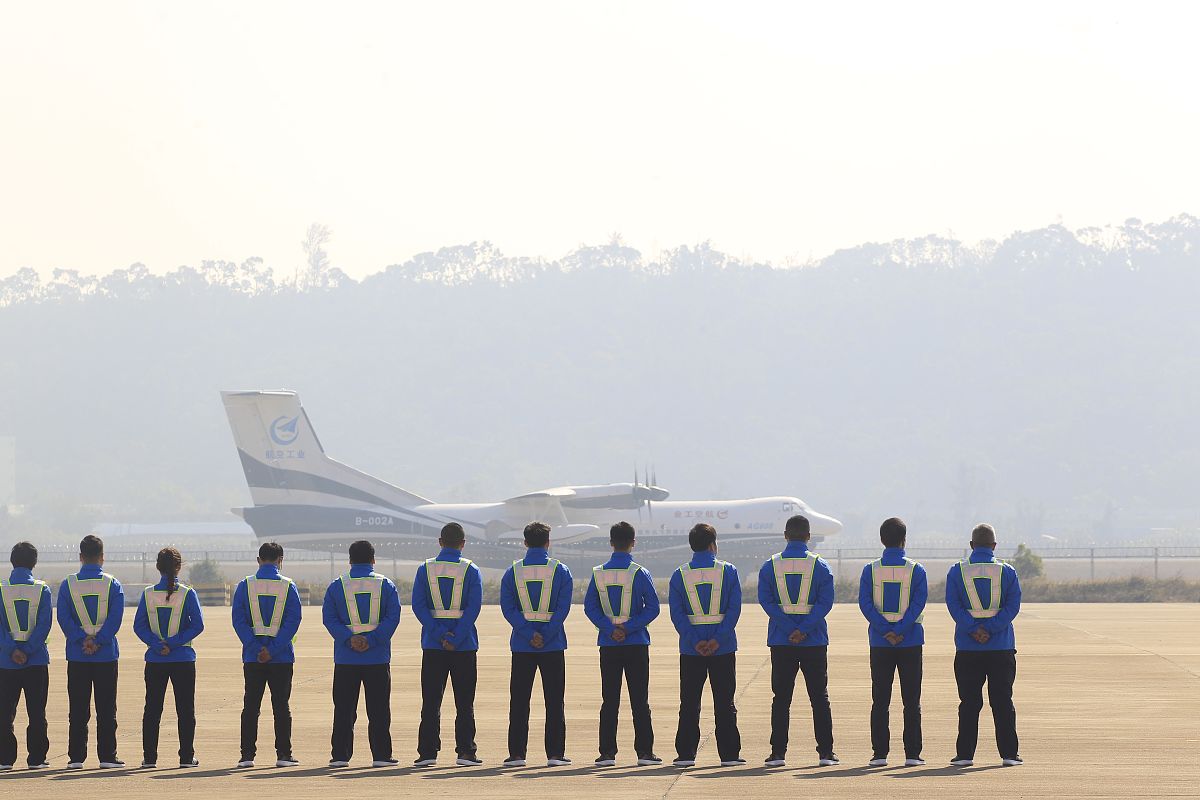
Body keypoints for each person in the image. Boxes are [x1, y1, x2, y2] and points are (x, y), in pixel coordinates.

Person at [757, 515, 837, 768]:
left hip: (782, 640)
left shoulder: (770, 566)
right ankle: (826, 753)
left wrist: (789, 628)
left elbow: (766, 601)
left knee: (781, 698)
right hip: (814, 640)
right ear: (808, 536)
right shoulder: (820, 566)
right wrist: (804, 629)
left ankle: (778, 753)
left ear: (785, 535)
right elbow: (825, 602)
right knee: (819, 697)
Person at [583, 521, 661, 767]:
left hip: (608, 645)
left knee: (609, 700)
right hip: (636, 642)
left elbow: (590, 608)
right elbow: (653, 608)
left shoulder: (598, 573)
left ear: (611, 543)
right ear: (633, 543)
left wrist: (610, 629)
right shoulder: (640, 572)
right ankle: (644, 752)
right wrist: (628, 628)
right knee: (640, 700)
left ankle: (607, 753)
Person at [945, 523, 1022, 767]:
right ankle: (1009, 754)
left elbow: (953, 605)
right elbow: (1013, 606)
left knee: (969, 703)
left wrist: (973, 628)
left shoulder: (957, 571)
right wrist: (991, 628)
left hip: (968, 648)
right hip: (1001, 646)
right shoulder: (1007, 571)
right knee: (1002, 701)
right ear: (994, 546)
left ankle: (965, 754)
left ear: (971, 545)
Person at [669, 523, 743, 768]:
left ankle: (686, 753)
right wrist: (717, 639)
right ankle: (729, 754)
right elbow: (733, 610)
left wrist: (695, 640)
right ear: (713, 545)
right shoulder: (728, 571)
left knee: (689, 702)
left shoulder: (679, 575)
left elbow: (677, 614)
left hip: (691, 649)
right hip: (723, 647)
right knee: (725, 702)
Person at [500, 521, 573, 768]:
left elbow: (508, 608)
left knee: (519, 701)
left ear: (525, 542)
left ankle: (517, 754)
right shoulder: (560, 570)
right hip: (553, 644)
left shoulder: (513, 571)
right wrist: (546, 634)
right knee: (554, 701)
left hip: (522, 645)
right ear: (548, 543)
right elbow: (562, 608)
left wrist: (528, 632)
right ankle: (555, 753)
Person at [322, 539, 401, 768]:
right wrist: (372, 640)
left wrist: (349, 639)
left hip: (346, 658)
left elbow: (329, 619)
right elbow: (392, 617)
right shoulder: (386, 585)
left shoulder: (337, 586)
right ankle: (381, 755)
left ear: (350, 560)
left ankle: (340, 755)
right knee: (379, 710)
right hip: (377, 657)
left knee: (344, 710)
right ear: (373, 560)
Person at [411, 523, 484, 767]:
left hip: (433, 645)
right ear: (463, 543)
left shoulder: (425, 569)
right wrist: (456, 637)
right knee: (464, 703)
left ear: (440, 542)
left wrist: (440, 634)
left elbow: (419, 606)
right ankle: (466, 751)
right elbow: (473, 608)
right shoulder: (471, 569)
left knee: (431, 701)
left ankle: (427, 752)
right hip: (464, 646)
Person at [858, 517, 928, 767]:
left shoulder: (870, 570)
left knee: (880, 700)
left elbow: (865, 604)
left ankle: (879, 754)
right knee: (911, 701)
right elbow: (918, 604)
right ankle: (912, 754)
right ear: (904, 540)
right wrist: (900, 629)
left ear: (881, 539)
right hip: (910, 641)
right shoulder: (916, 570)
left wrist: (886, 630)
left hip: (880, 642)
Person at [57, 534, 125, 769]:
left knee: (78, 707)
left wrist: (81, 640)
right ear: (102, 557)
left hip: (77, 655)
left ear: (81, 556)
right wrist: (99, 641)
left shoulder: (68, 584)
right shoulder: (113, 584)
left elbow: (63, 618)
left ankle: (76, 757)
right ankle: (107, 756)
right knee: (106, 707)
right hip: (106, 655)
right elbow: (115, 619)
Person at [231, 541, 302, 769]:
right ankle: (284, 754)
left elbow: (238, 621)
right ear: (281, 561)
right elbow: (293, 621)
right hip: (281, 658)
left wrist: (255, 648)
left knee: (251, 706)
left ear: (258, 560)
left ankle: (247, 756)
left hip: (253, 658)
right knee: (281, 706)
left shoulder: (245, 585)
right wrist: (273, 649)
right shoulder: (288, 586)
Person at [133, 547, 205, 769]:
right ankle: (186, 757)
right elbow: (198, 625)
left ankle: (150, 758)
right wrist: (173, 643)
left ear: (158, 567)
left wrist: (157, 645)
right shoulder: (187, 593)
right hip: (183, 659)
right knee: (185, 710)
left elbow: (139, 626)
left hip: (156, 660)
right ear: (179, 567)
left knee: (152, 710)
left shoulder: (148, 594)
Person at [0, 542, 53, 770]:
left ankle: (4, 758)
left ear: (12, 561)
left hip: (5, 662)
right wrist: (28, 649)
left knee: (4, 712)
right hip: (36, 660)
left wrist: (12, 649)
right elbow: (44, 625)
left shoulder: (1, 589)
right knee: (37, 712)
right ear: (34, 563)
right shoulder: (42, 590)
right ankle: (37, 758)